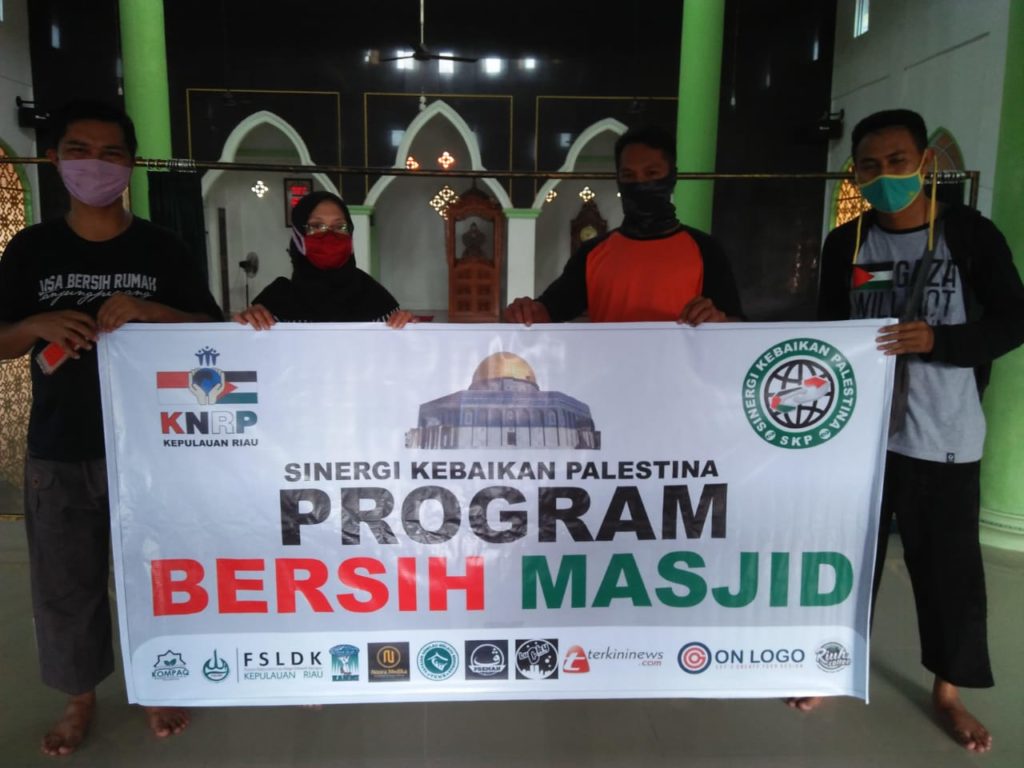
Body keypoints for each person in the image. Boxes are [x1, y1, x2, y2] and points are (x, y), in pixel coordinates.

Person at [0, 100, 222, 756]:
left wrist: (154, 310)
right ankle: (79, 698)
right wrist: (34, 325)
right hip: (61, 448)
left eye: (110, 153)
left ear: (131, 164)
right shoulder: (32, 250)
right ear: (55, 159)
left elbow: (213, 330)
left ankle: (156, 681)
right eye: (79, 151)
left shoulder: (162, 248)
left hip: (153, 449)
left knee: (156, 579)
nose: (94, 165)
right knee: (66, 586)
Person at [805, 109, 1024, 753]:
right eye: (869, 167)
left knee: (948, 573)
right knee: (846, 562)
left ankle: (948, 693)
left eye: (897, 162)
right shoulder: (846, 244)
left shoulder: (969, 235)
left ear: (925, 163)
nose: (884, 176)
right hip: (861, 438)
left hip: (943, 435)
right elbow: (826, 330)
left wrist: (941, 341)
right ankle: (831, 664)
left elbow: (1015, 319)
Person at [505, 124, 742, 325]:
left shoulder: (706, 250)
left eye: (651, 173)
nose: (640, 183)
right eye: (629, 176)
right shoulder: (591, 255)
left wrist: (718, 322)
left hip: (682, 369)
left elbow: (737, 327)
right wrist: (526, 311)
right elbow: (549, 310)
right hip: (609, 368)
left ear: (672, 177)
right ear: (618, 179)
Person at [234, 190, 413, 329]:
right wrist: (246, 326)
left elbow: (398, 356)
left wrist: (409, 330)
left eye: (340, 226)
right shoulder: (274, 303)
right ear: (298, 237)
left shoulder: (375, 298)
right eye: (316, 226)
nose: (329, 235)